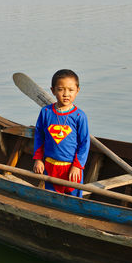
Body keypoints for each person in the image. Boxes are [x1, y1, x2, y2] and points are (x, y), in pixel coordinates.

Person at [33, 69, 90, 197]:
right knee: (52, 198)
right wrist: (38, 159)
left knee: (74, 200)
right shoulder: (46, 112)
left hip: (71, 168)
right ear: (53, 90)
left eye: (70, 90)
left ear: (77, 91)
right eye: (60, 89)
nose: (66, 94)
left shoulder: (79, 116)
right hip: (50, 166)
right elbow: (39, 136)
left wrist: (77, 166)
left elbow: (84, 143)